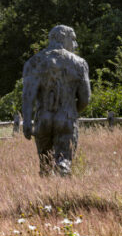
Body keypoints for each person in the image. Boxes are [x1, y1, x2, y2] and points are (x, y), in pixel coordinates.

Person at [21, 25, 91, 175]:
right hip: (66, 118)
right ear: (63, 38)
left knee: (45, 164)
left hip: (43, 119)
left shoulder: (33, 62)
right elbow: (85, 99)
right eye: (73, 40)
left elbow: (28, 97)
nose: (75, 44)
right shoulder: (79, 63)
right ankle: (62, 194)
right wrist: (72, 111)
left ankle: (45, 193)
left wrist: (27, 121)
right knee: (64, 161)